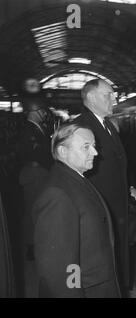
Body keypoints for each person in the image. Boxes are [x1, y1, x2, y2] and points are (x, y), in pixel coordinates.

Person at [33, 123, 120, 297]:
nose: (95, 152)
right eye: (86, 147)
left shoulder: (73, 178)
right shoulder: (57, 194)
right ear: (63, 151)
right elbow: (58, 270)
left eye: (94, 146)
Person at [74, 79, 134, 294]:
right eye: (108, 95)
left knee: (116, 259)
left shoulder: (107, 125)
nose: (114, 99)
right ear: (90, 97)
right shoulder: (81, 127)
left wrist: (129, 186)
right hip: (100, 209)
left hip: (115, 206)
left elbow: (118, 162)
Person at [17, 98, 53, 261]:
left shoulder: (38, 128)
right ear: (35, 111)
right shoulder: (28, 130)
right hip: (34, 174)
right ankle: (31, 247)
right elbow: (38, 154)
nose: (45, 113)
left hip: (40, 172)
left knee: (38, 209)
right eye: (42, 111)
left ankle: (36, 242)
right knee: (32, 209)